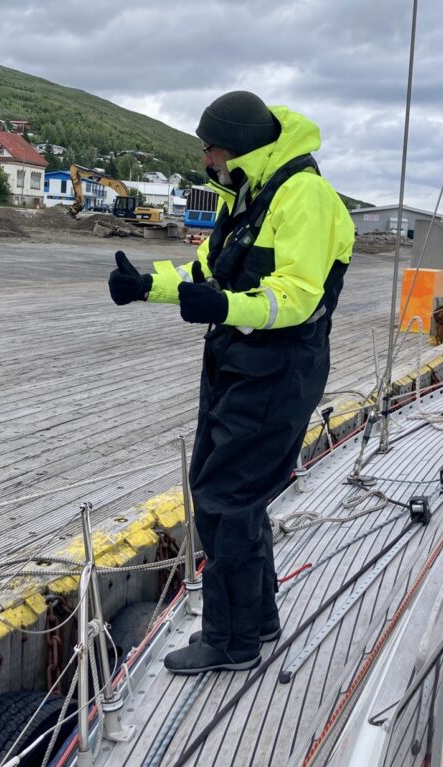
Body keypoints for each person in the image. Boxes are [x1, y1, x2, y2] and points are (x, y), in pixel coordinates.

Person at [108, 91, 354, 674]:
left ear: (237, 145)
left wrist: (219, 303)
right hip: (235, 359)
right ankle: (257, 618)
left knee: (229, 498)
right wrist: (148, 286)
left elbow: (296, 296)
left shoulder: (304, 196)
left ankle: (233, 640)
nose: (205, 157)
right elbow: (210, 272)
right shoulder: (248, 196)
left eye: (210, 146)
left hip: (279, 365)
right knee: (217, 491)